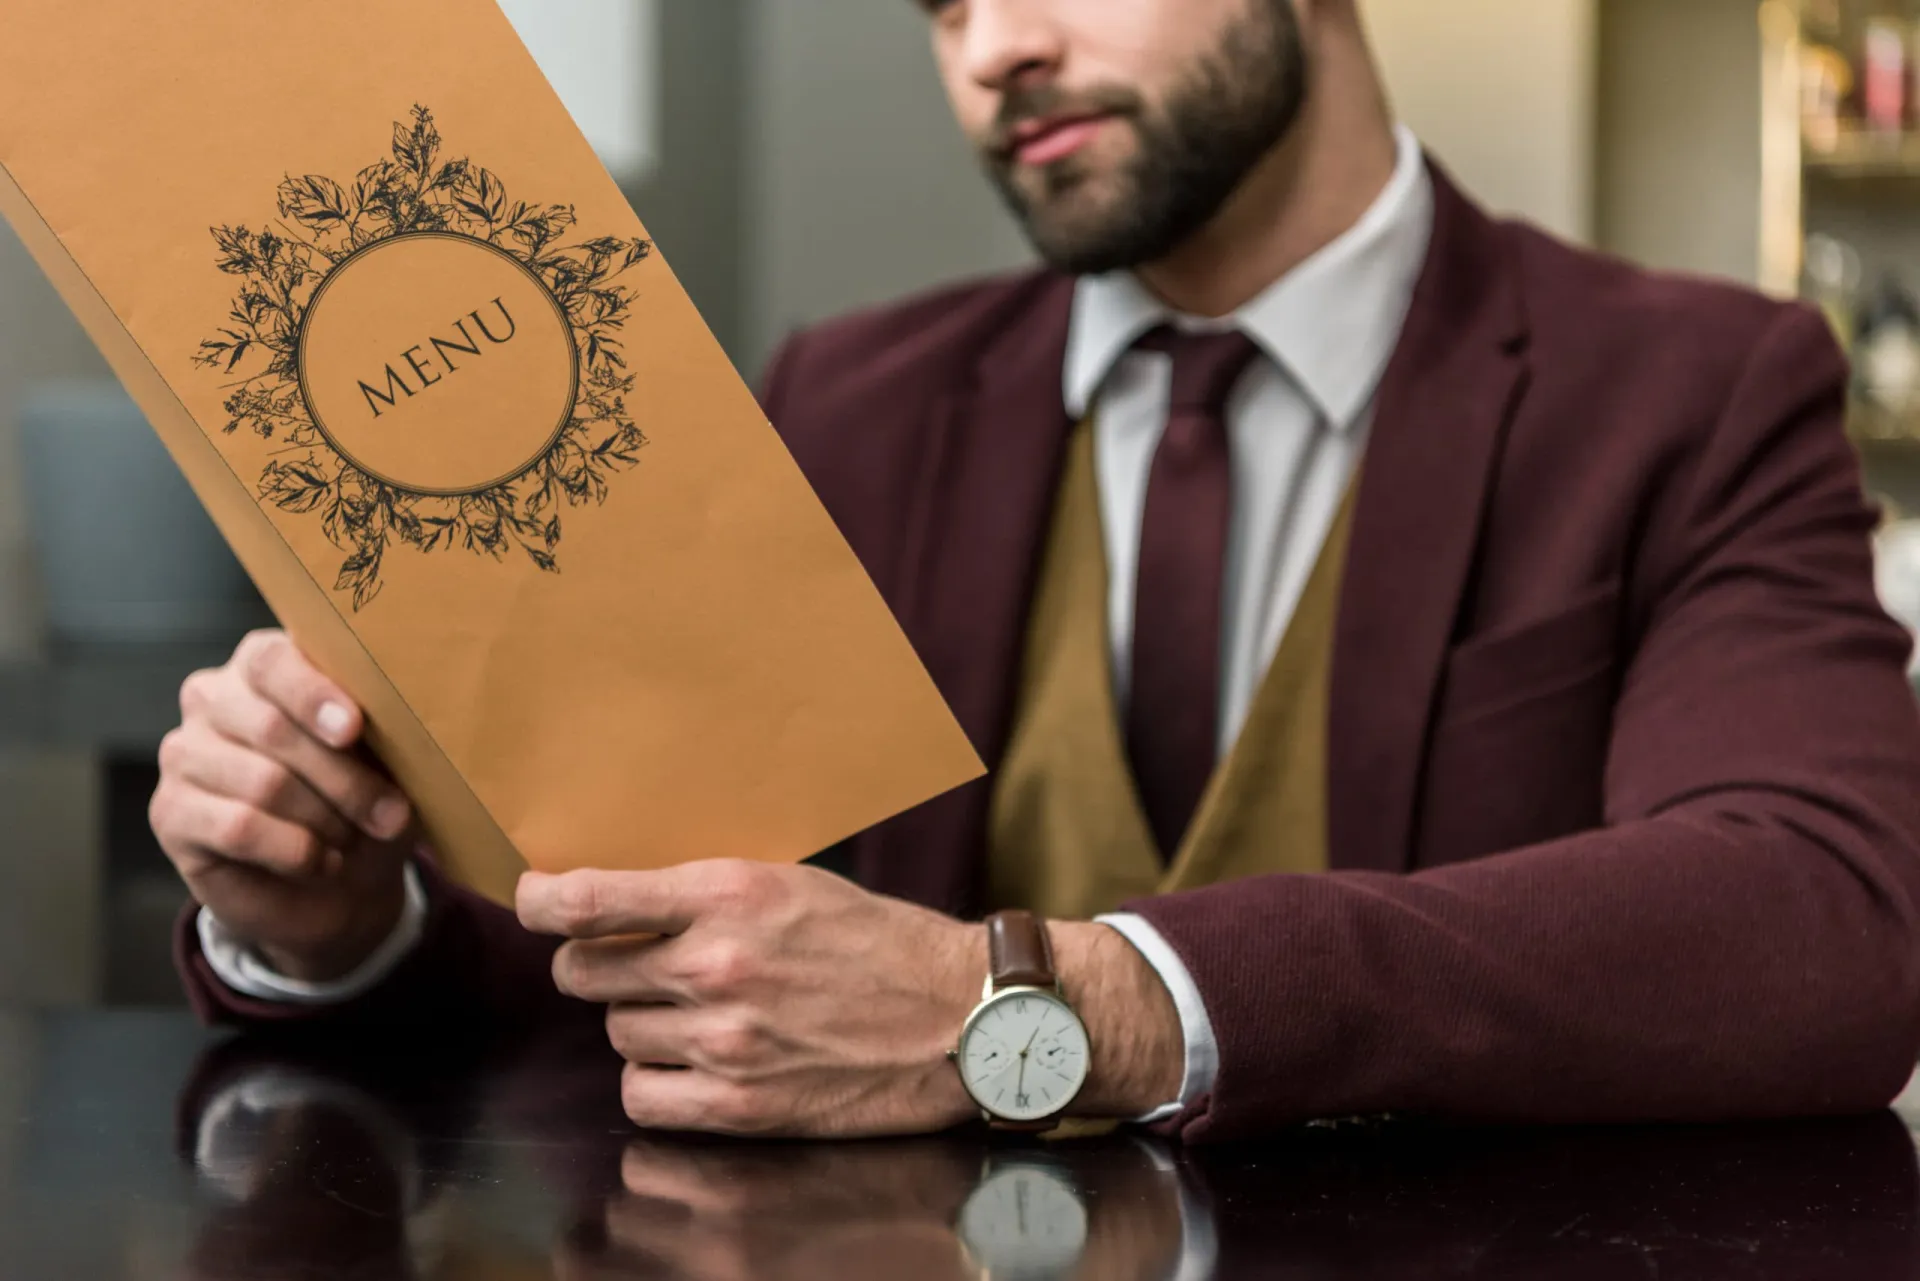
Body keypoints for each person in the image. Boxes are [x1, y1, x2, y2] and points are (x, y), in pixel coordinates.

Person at [153, 0, 1920, 1142]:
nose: (992, 49)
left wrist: (1070, 1005)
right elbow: (636, 942)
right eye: (941, 8)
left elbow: (1828, 921)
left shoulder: (1694, 387)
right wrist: (330, 916)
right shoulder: (847, 396)